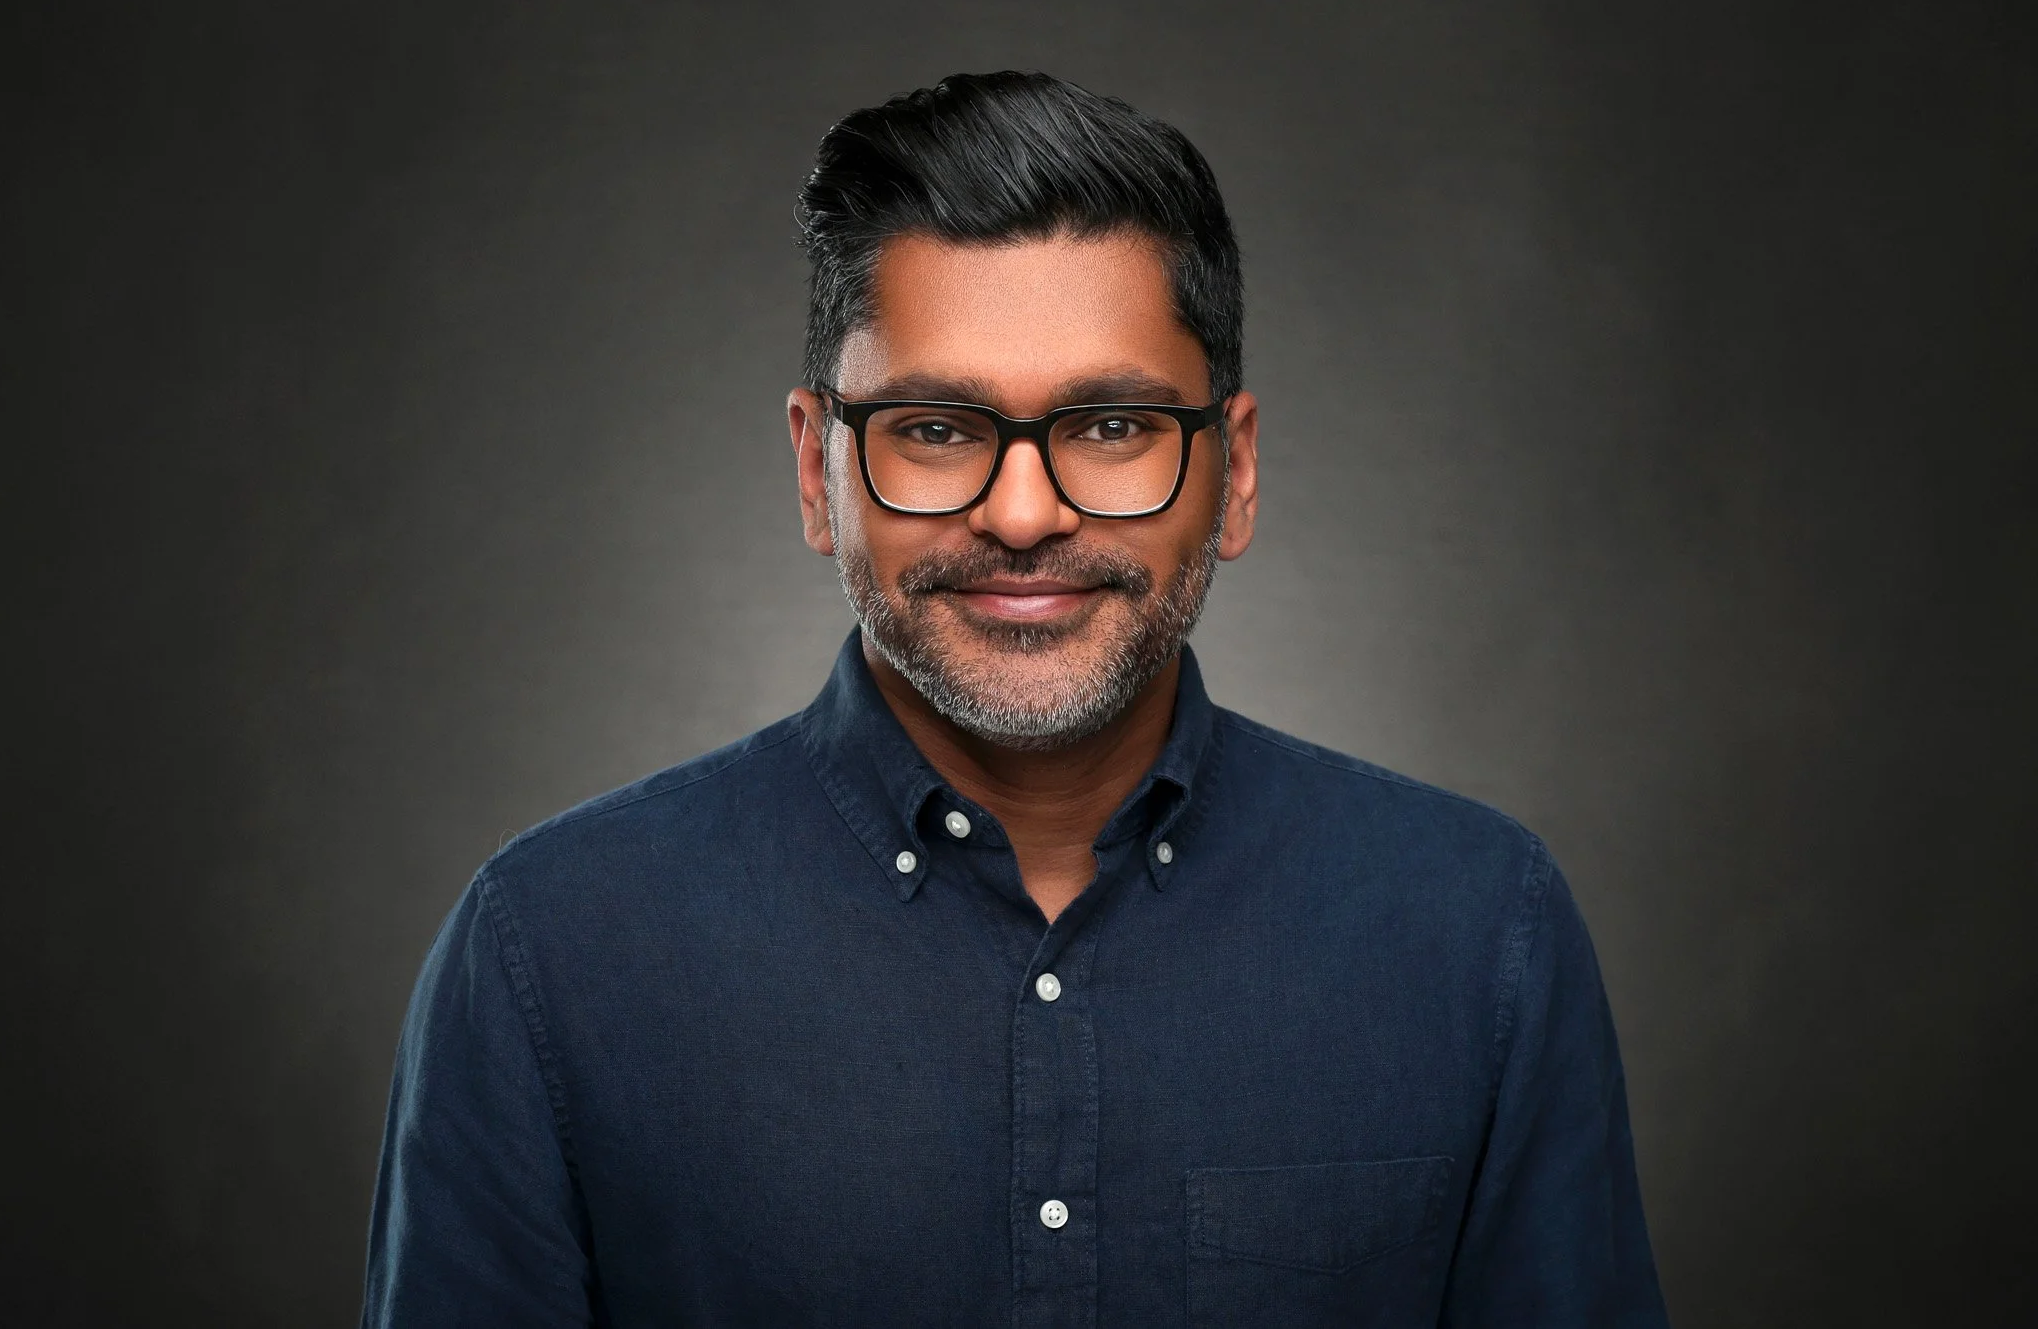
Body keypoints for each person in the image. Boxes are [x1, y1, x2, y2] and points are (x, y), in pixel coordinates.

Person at [362, 71, 1669, 1327]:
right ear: (819, 473)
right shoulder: (546, 957)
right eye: (935, 428)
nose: (1025, 513)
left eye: (1110, 426)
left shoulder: (1477, 930)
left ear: (1238, 470)